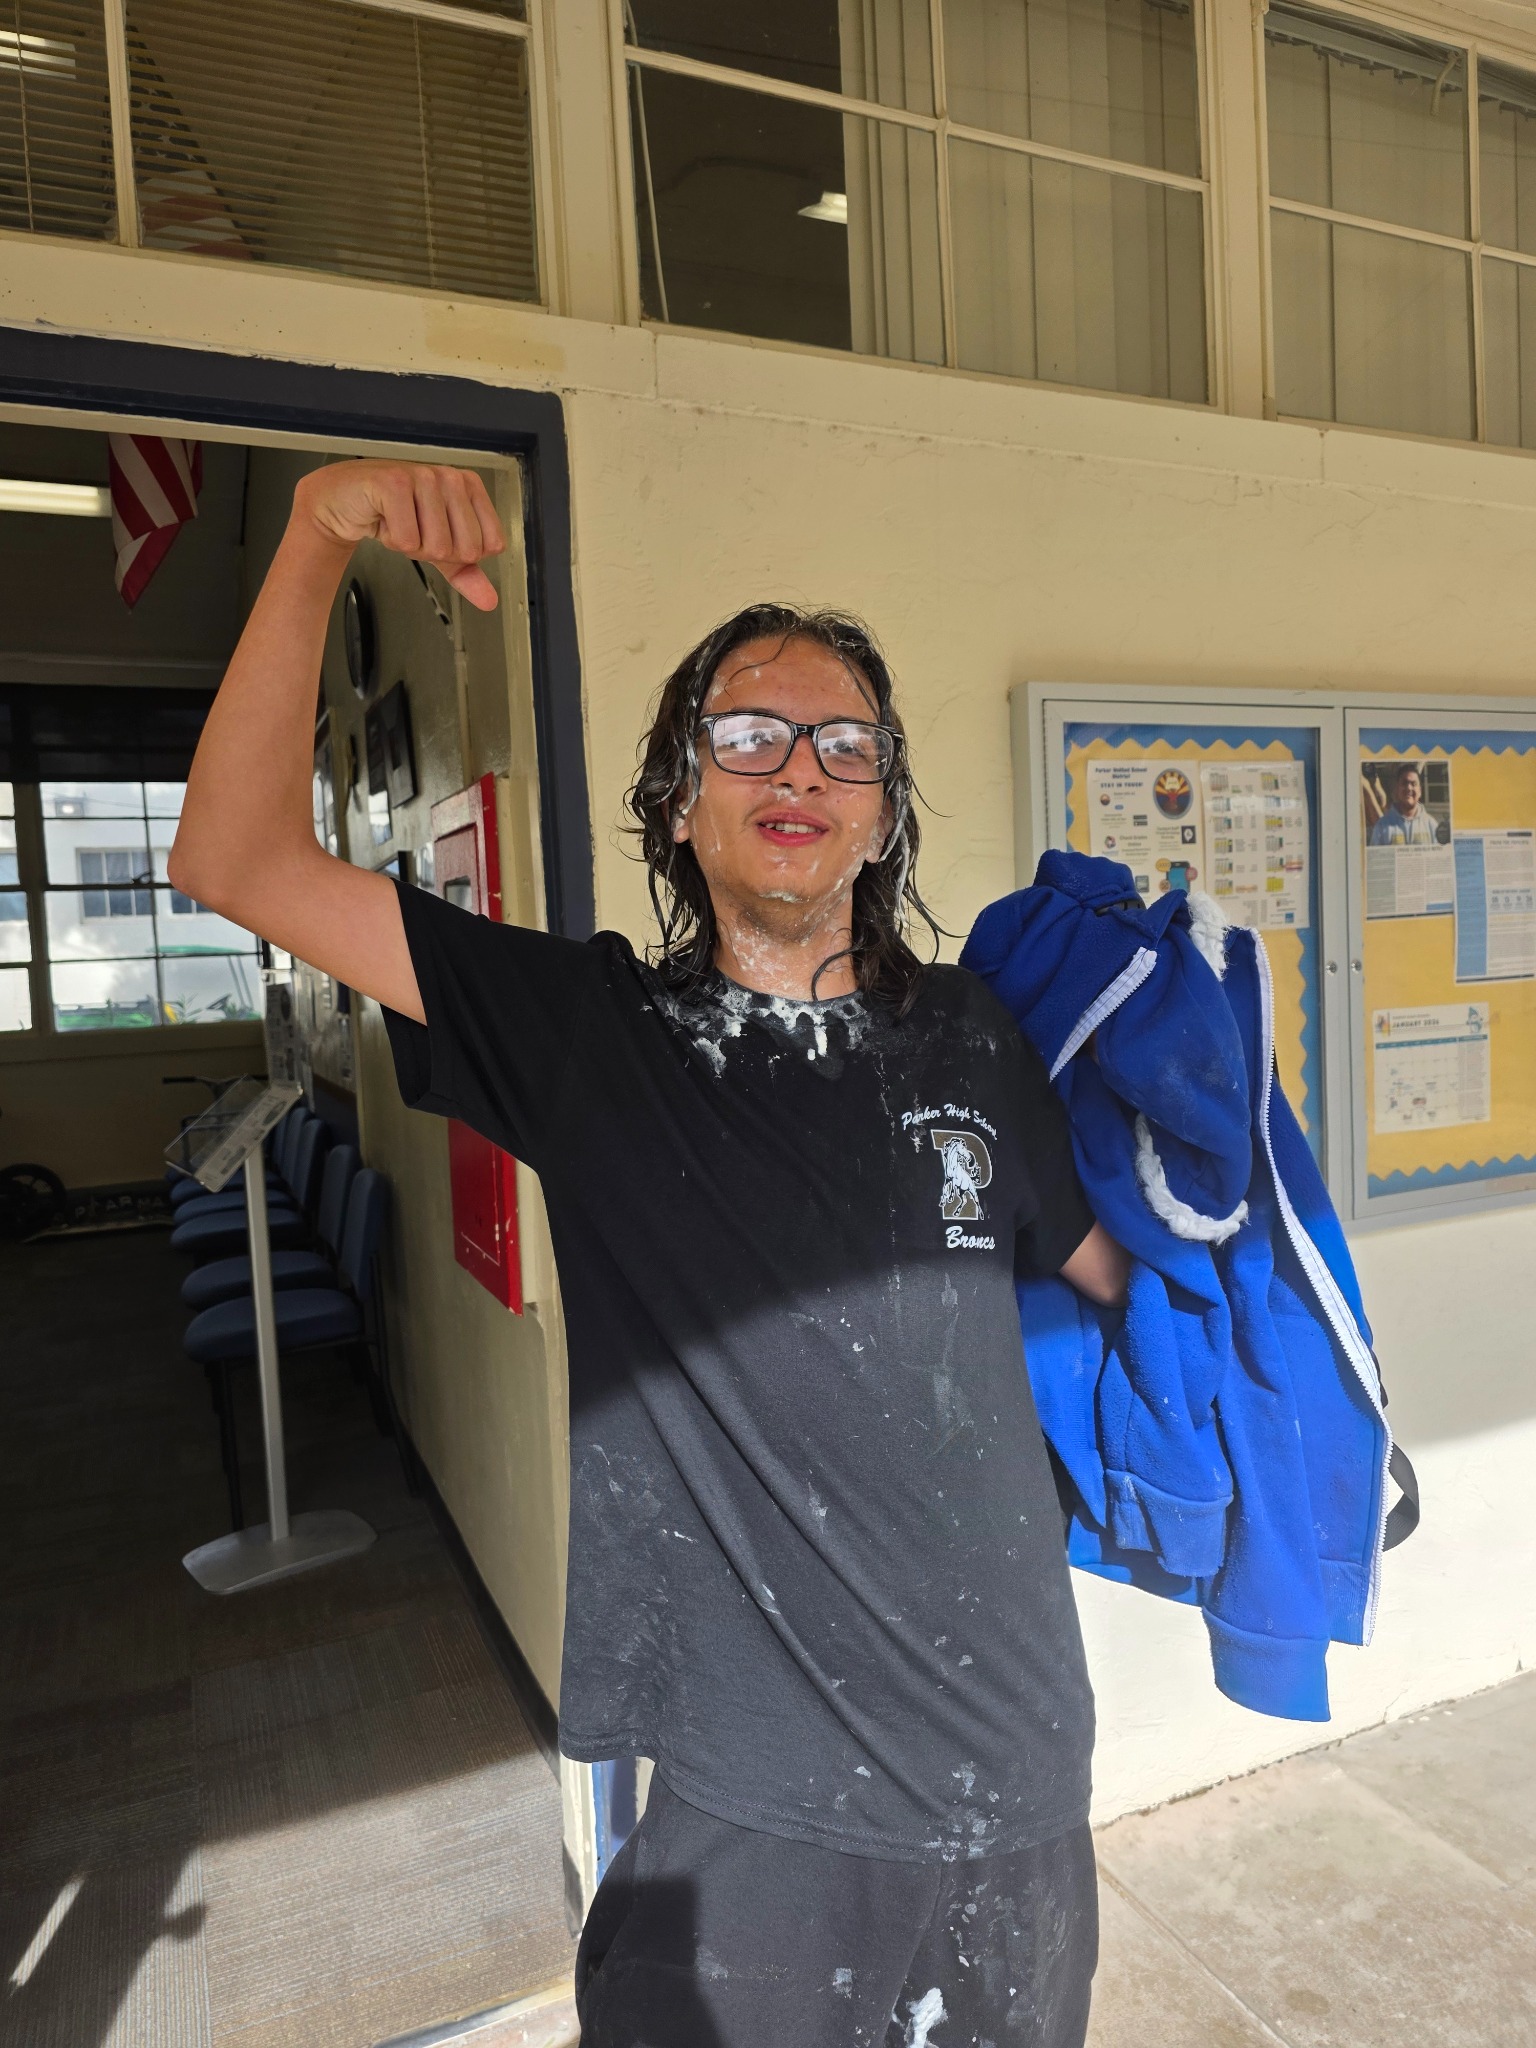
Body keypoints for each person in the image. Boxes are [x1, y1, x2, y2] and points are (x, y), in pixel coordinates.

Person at [171, 461, 1129, 2048]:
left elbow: (1103, 1275)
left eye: (846, 744)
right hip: (763, 1803)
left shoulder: (974, 1033)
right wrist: (318, 532)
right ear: (680, 800)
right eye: (748, 735)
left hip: (1022, 1763)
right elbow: (235, 857)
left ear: (883, 810)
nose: (800, 767)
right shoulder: (590, 1034)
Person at [1369, 764, 1441, 846]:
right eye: (1404, 783)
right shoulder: (1381, 826)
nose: (1409, 788)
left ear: (1420, 791)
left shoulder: (1431, 825)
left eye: (1413, 784)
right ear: (1397, 789)